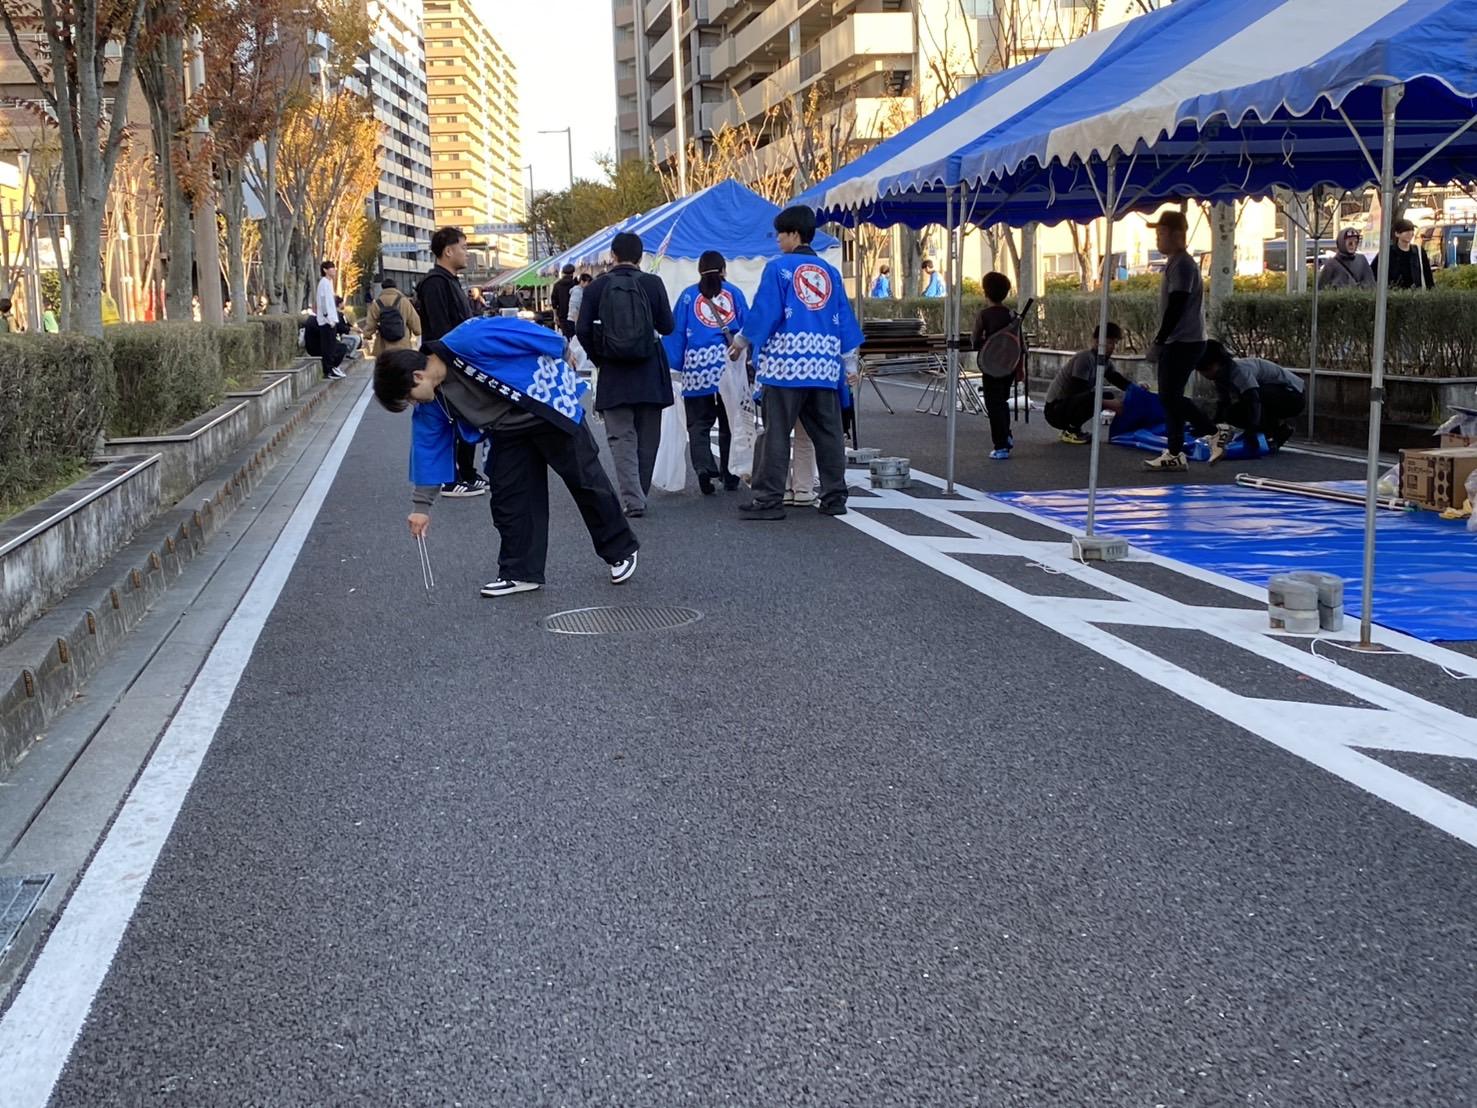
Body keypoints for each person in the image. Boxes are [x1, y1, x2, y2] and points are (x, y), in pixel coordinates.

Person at [374, 317, 639, 596]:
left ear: (418, 376)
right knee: (510, 497)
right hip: (505, 430)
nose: (415, 404)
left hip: (544, 403)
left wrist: (560, 347)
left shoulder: (467, 339)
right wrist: (421, 508)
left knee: (585, 480)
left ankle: (620, 549)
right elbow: (428, 448)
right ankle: (520, 571)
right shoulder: (433, 402)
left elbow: (520, 332)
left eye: (410, 398)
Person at [728, 204, 861, 520]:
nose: (777, 240)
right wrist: (850, 364)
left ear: (794, 234)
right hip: (825, 366)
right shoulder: (830, 272)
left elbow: (765, 313)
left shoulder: (778, 268)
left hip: (785, 366)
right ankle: (834, 497)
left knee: (776, 434)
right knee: (828, 436)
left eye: (780, 234)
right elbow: (844, 319)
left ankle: (769, 499)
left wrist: (740, 342)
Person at [576, 231, 676, 518]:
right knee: (648, 437)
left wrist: (601, 356)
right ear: (641, 257)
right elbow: (667, 326)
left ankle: (633, 500)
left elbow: (582, 329)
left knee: (621, 438)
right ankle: (639, 492)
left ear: (613, 255)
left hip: (614, 372)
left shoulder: (596, 287)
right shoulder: (652, 283)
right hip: (650, 370)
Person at [663, 250, 748, 495]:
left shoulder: (689, 296)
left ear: (699, 270)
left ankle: (703, 468)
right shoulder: (734, 294)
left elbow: (676, 333)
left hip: (697, 367)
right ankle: (730, 474)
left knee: (698, 423)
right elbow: (748, 325)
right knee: (729, 421)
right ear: (723, 270)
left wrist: (676, 365)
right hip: (727, 363)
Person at [417, 226, 486, 498]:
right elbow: (441, 328)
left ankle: (467, 472)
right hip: (447, 361)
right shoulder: (435, 282)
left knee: (467, 417)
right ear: (448, 251)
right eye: (463, 248)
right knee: (450, 420)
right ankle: (449, 479)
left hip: (460, 360)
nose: (466, 253)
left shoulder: (451, 280)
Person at [1143, 210, 1206, 472]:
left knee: (1169, 396)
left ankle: (1213, 430)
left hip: (1183, 340)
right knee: (1171, 397)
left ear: (1179, 235)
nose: (1158, 239)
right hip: (1181, 340)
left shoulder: (1182, 264)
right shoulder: (1175, 262)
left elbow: (1177, 303)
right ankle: (1175, 451)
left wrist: (1160, 339)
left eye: (1162, 233)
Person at [1195, 340, 1305, 463]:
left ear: (1219, 363)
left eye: (1207, 369)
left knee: (1253, 399)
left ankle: (1275, 431)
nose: (1205, 374)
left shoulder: (1240, 371)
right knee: (1231, 413)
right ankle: (1278, 431)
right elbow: (1223, 404)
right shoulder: (1220, 377)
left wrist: (1252, 430)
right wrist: (1210, 431)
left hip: (1293, 395)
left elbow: (1254, 400)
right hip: (1269, 395)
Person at [1042, 323, 1131, 445]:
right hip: (1055, 409)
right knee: (1097, 398)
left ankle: (1073, 428)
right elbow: (1077, 391)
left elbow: (1118, 380)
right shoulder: (1085, 358)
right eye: (1109, 342)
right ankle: (1070, 430)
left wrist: (1137, 389)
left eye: (1115, 343)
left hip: (1068, 404)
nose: (1112, 347)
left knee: (1108, 396)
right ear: (1096, 341)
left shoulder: (1105, 363)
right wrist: (1107, 404)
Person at [970, 271, 1021, 460]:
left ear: (985, 292)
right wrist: (1019, 368)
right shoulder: (1012, 315)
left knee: (993, 405)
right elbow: (1020, 343)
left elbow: (975, 339)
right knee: (1002, 402)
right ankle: (1006, 435)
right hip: (1009, 365)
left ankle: (1001, 445)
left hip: (990, 365)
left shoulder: (984, 315)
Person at [364, 276, 421, 356]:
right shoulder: (404, 301)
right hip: (403, 345)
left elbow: (370, 324)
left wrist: (367, 335)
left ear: (382, 288)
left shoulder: (377, 303)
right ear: (395, 287)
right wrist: (417, 331)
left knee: (386, 367)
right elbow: (415, 323)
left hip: (384, 346)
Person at [1375, 217, 1435, 290]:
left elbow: (1428, 276)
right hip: (1393, 295)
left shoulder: (1419, 251)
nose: (1410, 233)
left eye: (1412, 230)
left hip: (1416, 295)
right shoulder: (1387, 252)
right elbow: (1374, 273)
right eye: (1406, 231)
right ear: (1397, 234)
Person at [314, 260, 345, 380]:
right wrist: (328, 318)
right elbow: (323, 302)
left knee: (332, 346)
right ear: (325, 270)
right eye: (331, 268)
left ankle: (331, 368)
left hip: (331, 320)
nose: (334, 270)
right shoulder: (323, 283)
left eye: (334, 268)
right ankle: (328, 370)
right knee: (328, 347)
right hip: (327, 322)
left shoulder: (329, 283)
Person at [551, 263, 579, 338]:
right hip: (574, 314)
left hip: (562, 314)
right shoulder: (575, 284)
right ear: (572, 273)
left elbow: (554, 301)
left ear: (563, 273)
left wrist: (555, 315)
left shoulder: (557, 285)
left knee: (565, 335)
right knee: (574, 336)